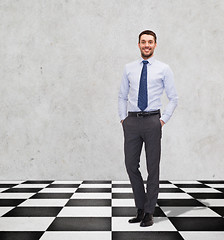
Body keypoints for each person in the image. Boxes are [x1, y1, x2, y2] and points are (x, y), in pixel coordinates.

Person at [118, 30, 178, 227]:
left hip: (153, 120)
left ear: (155, 45)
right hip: (132, 122)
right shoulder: (129, 68)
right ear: (138, 45)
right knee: (130, 165)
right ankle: (140, 208)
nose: (146, 45)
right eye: (143, 42)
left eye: (150, 42)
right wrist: (123, 119)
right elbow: (122, 96)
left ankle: (149, 212)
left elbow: (173, 98)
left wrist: (162, 120)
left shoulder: (164, 69)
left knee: (153, 168)